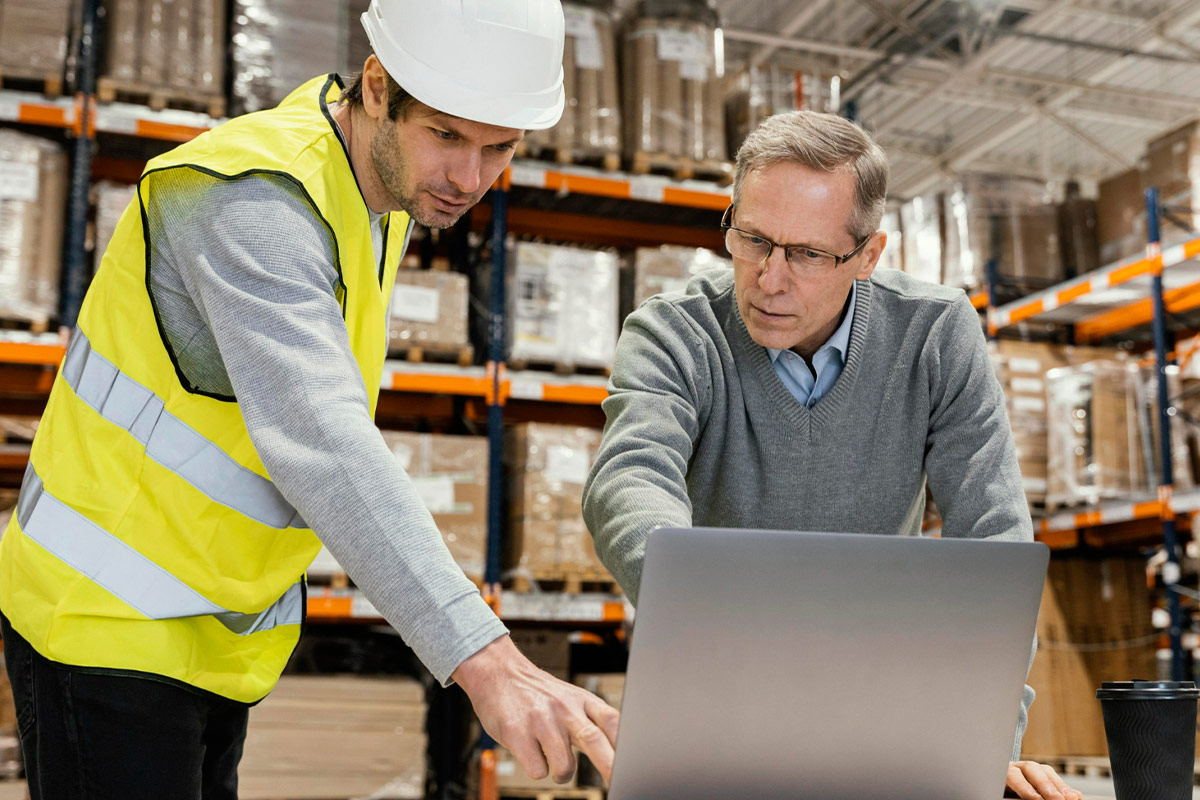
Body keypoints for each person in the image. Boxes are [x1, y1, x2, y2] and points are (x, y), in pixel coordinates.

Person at [0, 1, 618, 797]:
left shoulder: (375, 194)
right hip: (106, 623)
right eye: (447, 136)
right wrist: (487, 660)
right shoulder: (250, 199)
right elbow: (322, 436)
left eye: (500, 148)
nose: (470, 180)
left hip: (210, 635)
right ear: (374, 88)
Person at [582, 110, 1081, 800]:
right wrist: (708, 606)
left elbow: (994, 537)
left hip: (884, 732)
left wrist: (984, 739)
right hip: (711, 718)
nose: (769, 278)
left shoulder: (935, 333)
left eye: (808, 254)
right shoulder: (674, 332)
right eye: (752, 239)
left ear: (869, 256)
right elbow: (629, 479)